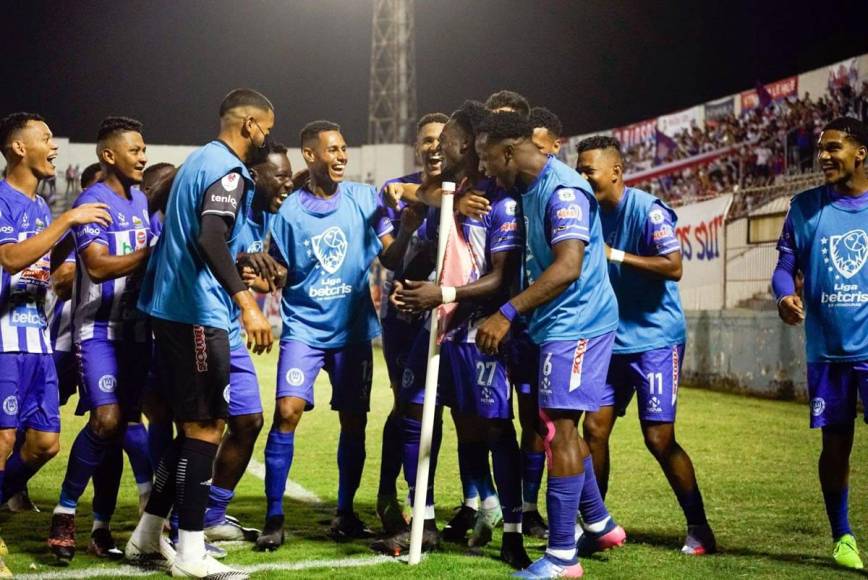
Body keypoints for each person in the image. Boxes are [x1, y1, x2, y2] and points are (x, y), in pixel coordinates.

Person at [125, 89, 274, 579]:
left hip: (172, 310)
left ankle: (148, 537)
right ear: (249, 124)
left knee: (192, 428)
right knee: (206, 428)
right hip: (196, 312)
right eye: (266, 129)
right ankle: (191, 553)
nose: (265, 138)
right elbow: (210, 235)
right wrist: (247, 303)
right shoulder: (228, 169)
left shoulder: (198, 161)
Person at [376, 101, 530, 568]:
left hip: (478, 334)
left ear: (467, 144)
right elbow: (420, 249)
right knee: (414, 416)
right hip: (436, 327)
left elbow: (501, 278)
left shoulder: (497, 199)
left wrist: (440, 291)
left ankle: (512, 532)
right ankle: (421, 522)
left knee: (494, 429)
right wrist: (413, 286)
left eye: (445, 141)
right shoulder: (447, 192)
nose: (436, 147)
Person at [475, 111, 622, 578]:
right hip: (555, 324)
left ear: (505, 152)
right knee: (550, 420)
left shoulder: (562, 192)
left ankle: (562, 557)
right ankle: (599, 522)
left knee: (558, 428)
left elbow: (567, 267)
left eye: (485, 159)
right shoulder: (530, 189)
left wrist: (506, 312)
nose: (485, 170)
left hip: (578, 324)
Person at [257, 120, 407, 550]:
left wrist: (409, 223)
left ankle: (345, 511)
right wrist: (267, 276)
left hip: (353, 333)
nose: (342, 156)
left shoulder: (362, 198)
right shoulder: (288, 213)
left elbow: (392, 253)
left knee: (354, 422)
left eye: (344, 149)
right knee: (287, 411)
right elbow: (280, 271)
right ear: (310, 155)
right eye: (333, 150)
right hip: (304, 329)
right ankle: (274, 516)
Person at [576, 135, 715, 556]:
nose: (582, 177)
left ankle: (700, 528)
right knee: (593, 430)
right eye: (579, 170)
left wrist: (613, 255)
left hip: (655, 339)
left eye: (588, 170)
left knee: (658, 438)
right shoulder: (588, 213)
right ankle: (596, 525)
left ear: (615, 172)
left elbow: (673, 267)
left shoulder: (648, 210)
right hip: (610, 340)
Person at [0, 112, 111, 578]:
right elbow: (8, 258)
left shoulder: (42, 208)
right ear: (18, 147)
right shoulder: (3, 198)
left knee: (44, 443)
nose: (54, 145)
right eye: (45, 137)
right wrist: (69, 218)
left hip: (37, 338)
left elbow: (44, 257)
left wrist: (70, 240)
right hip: (3, 338)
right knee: (4, 439)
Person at [47, 117, 153, 564]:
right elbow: (98, 265)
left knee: (131, 423)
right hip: (99, 331)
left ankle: (113, 522)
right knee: (107, 421)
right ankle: (65, 512)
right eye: (134, 150)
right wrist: (151, 253)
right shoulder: (93, 200)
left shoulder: (143, 199)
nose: (143, 156)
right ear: (108, 155)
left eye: (145, 149)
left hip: (136, 331)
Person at [773, 117, 868, 570]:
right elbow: (784, 265)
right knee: (835, 446)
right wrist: (783, 294)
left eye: (834, 147)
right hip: (827, 354)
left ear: (860, 152)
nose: (824, 156)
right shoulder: (805, 207)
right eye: (821, 148)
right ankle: (843, 536)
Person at [203, 142, 291, 543]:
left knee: (248, 421)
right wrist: (246, 295)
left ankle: (210, 515)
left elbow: (258, 269)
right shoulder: (227, 204)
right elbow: (210, 248)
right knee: (200, 428)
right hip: (199, 324)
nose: (287, 186)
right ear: (255, 176)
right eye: (282, 177)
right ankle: (163, 517)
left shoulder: (265, 215)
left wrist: (268, 275)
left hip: (229, 329)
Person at [374, 112, 447, 536]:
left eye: (442, 139)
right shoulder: (393, 191)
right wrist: (406, 229)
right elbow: (390, 259)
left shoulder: (466, 193)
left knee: (440, 413)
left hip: (449, 315)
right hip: (403, 316)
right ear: (416, 146)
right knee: (410, 407)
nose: (434, 147)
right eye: (427, 140)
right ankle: (393, 495)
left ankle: (441, 501)